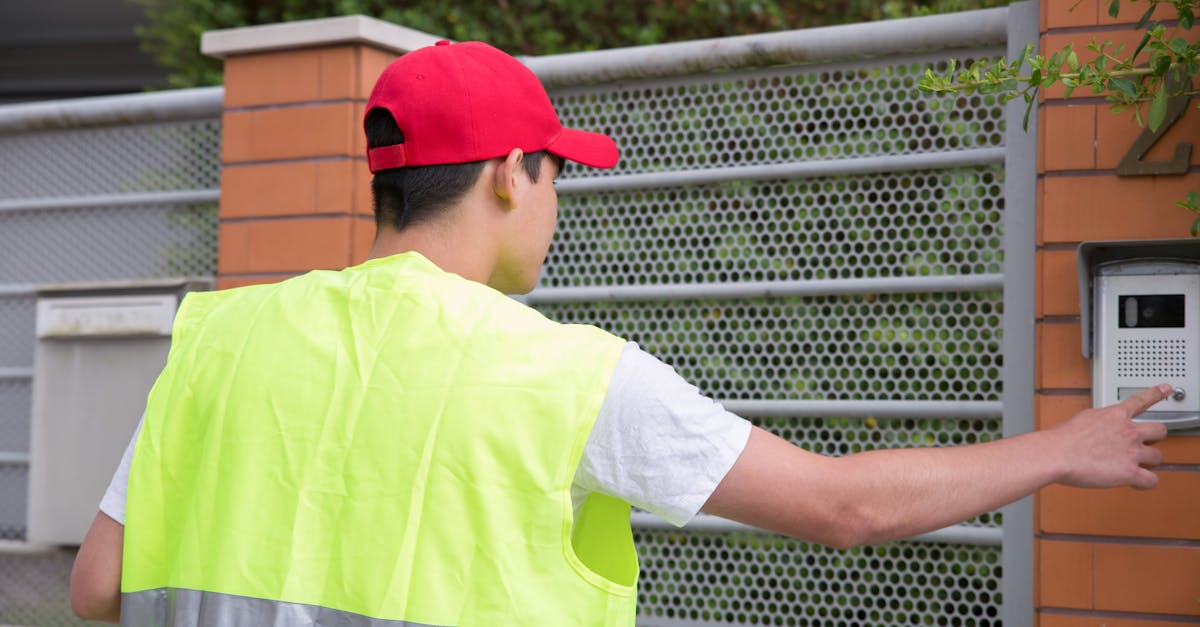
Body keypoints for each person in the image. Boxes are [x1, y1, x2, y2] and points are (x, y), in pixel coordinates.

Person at [69, 40, 1171, 626]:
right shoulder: (563, 375)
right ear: (511, 176)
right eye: (556, 175)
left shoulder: (219, 340)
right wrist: (1066, 449)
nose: (556, 203)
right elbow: (843, 507)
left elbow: (99, 589)